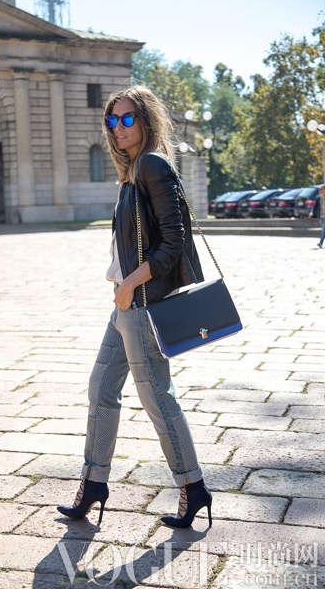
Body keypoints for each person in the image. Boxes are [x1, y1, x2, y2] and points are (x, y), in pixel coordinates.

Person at [57, 85, 212, 529]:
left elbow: (173, 243)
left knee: (157, 397)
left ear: (145, 120)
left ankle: (193, 486)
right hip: (126, 304)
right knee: (101, 389)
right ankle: (94, 482)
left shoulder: (152, 165)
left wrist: (129, 283)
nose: (118, 127)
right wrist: (123, 288)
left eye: (127, 118)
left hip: (142, 303)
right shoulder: (133, 171)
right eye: (112, 120)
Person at [309, 184, 325, 248]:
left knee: (324, 229)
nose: (319, 191)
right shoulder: (318, 197)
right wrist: (311, 212)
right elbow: (315, 206)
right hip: (321, 216)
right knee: (323, 229)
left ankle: (320, 243)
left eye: (321, 189)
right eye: (319, 189)